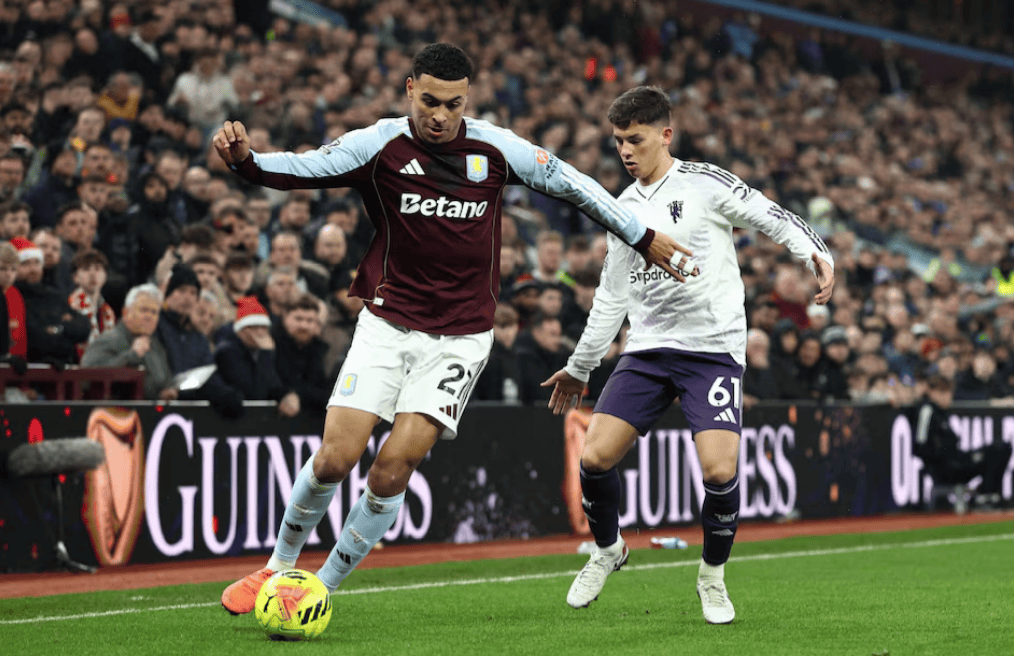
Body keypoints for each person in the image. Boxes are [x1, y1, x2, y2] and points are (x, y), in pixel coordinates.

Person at [214, 44, 690, 615]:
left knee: (392, 469)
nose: (440, 115)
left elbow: (575, 185)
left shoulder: (496, 148)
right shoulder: (379, 144)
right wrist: (246, 161)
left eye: (454, 104)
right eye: (430, 101)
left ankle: (321, 589)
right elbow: (304, 168)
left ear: (468, 99)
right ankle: (276, 566)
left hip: (460, 338)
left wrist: (642, 235)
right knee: (334, 459)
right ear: (410, 89)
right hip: (386, 323)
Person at [542, 86, 834, 623]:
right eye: (618, 141)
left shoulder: (704, 183)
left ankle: (712, 578)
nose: (625, 151)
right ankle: (608, 549)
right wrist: (580, 366)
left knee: (720, 472)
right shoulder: (622, 208)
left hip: (711, 351)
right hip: (647, 351)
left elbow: (768, 214)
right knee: (594, 458)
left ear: (665, 135)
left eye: (635, 140)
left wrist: (814, 251)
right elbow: (612, 296)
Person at [912, 375, 1013, 510]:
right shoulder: (927, 410)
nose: (948, 396)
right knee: (996, 451)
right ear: (932, 393)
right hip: (946, 468)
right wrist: (939, 460)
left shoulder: (942, 413)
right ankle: (985, 496)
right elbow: (920, 444)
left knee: (1001, 448)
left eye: (949, 392)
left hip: (957, 461)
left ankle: (988, 493)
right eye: (943, 392)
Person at [81, 283, 176, 401]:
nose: (149, 316)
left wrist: (166, 391)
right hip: (111, 410)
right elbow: (86, 376)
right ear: (125, 312)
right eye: (144, 310)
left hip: (151, 410)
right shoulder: (109, 340)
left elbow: (164, 381)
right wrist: (132, 355)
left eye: (154, 312)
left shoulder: (155, 345)